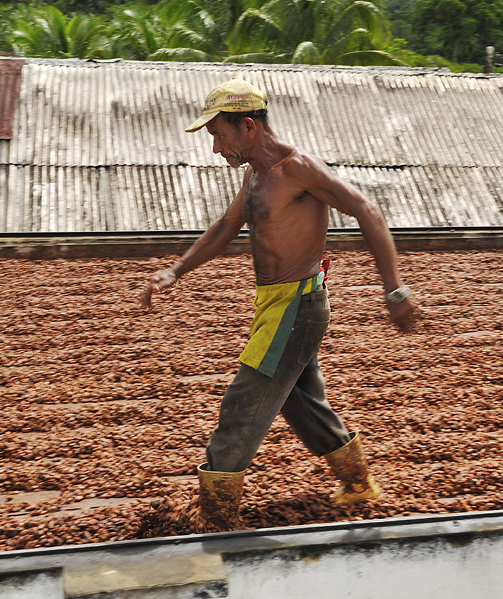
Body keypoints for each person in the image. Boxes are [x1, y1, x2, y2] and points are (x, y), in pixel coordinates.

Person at [138, 77, 419, 531]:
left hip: (298, 307)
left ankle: (214, 517)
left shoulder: (296, 169)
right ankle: (357, 482)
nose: (216, 149)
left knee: (243, 403)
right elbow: (225, 227)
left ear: (247, 126)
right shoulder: (255, 175)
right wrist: (177, 270)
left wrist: (395, 291)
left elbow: (366, 209)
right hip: (274, 306)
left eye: (218, 135)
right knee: (297, 400)